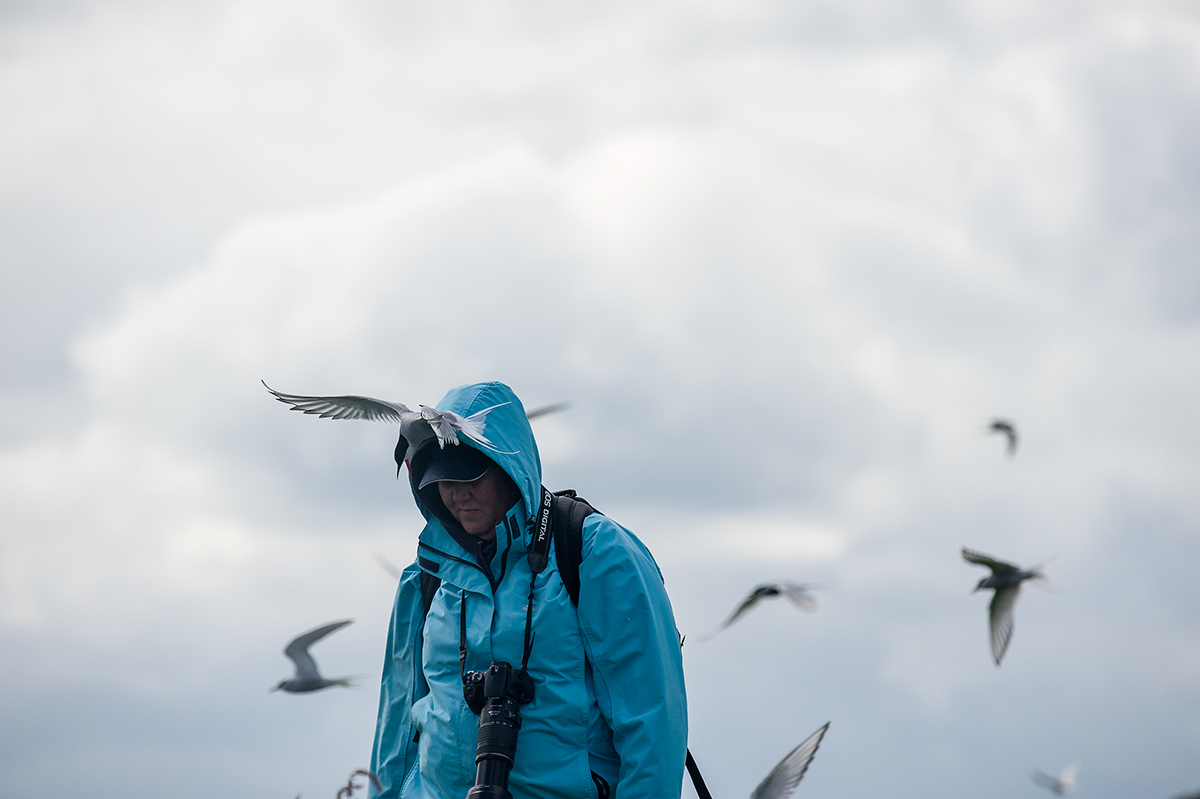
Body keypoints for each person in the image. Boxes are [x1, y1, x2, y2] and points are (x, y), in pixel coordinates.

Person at [370, 381, 687, 799]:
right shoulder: (426, 574)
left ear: (510, 467)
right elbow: (395, 729)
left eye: (470, 475)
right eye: (443, 480)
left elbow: (652, 726)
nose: (458, 494)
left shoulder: (594, 551)